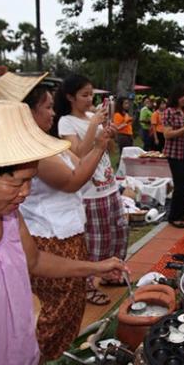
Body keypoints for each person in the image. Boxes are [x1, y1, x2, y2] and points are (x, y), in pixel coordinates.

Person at [0, 100, 127, 365]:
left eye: (30, 180)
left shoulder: (8, 216)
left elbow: (34, 262)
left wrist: (97, 267)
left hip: (17, 363)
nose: (25, 192)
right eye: (16, 181)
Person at [0, 72, 116, 358]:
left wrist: (97, 141)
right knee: (52, 315)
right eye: (46, 107)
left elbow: (77, 162)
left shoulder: (43, 144)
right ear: (25, 113)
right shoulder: (32, 153)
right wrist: (99, 145)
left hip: (65, 235)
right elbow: (72, 181)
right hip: (50, 238)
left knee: (68, 309)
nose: (53, 111)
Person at [54, 75, 128, 305]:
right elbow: (76, 154)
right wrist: (95, 125)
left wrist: (109, 133)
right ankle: (86, 286)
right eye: (84, 95)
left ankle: (110, 274)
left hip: (109, 185)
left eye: (91, 94)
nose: (89, 99)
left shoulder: (90, 116)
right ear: (69, 97)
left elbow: (107, 150)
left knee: (118, 234)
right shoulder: (66, 121)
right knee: (95, 242)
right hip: (89, 192)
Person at [163, 85, 184, 228]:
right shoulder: (169, 112)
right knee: (179, 186)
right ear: (176, 96)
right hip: (174, 154)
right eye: (183, 96)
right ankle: (174, 216)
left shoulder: (183, 112)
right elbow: (167, 134)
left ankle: (182, 213)